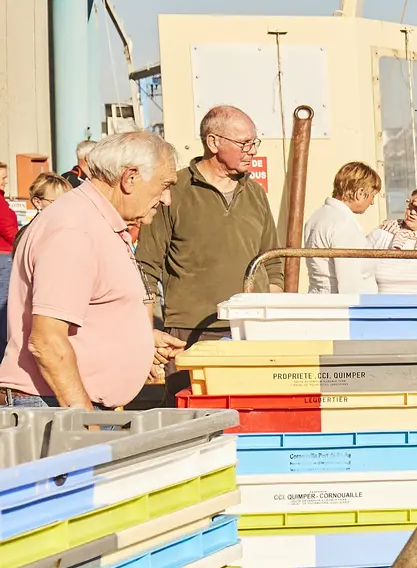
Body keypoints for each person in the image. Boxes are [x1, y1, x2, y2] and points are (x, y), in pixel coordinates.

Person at [0, 132, 184, 408]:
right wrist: (86, 426)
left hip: (68, 404)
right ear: (130, 178)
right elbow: (47, 341)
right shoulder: (75, 229)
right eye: (164, 185)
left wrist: (139, 339)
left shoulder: (98, 222)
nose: (167, 199)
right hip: (59, 406)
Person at [135, 106, 283, 346]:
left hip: (252, 329)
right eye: (244, 143)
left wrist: (270, 314)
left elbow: (273, 261)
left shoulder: (255, 193)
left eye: (254, 142)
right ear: (213, 142)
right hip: (190, 332)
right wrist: (146, 330)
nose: (253, 151)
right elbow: (146, 265)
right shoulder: (174, 189)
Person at [302, 162, 381, 293]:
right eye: (373, 195)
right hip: (340, 307)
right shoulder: (343, 223)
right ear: (360, 193)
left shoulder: (318, 216)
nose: (372, 202)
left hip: (319, 299)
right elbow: (350, 283)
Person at [0, 164, 17, 355]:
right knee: (3, 308)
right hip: (4, 256)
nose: (5, 182)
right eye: (3, 178)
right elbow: (9, 230)